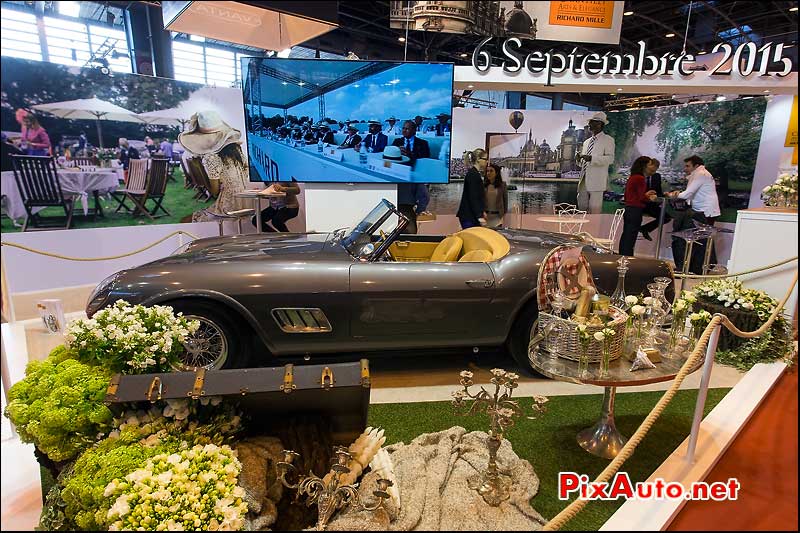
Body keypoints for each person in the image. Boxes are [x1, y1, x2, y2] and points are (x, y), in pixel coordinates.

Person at [179, 110, 249, 223]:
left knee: (185, 221)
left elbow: (214, 192)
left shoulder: (211, 157)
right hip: (246, 202)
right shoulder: (236, 149)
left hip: (228, 208)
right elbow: (245, 172)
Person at [666, 155, 721, 272]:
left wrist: (672, 195)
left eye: (687, 166)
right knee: (700, 241)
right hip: (702, 210)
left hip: (705, 211)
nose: (685, 168)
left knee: (701, 241)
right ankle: (694, 267)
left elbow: (687, 194)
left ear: (696, 165)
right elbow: (689, 194)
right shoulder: (700, 174)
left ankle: (698, 268)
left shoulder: (700, 174)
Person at [618, 156, 658, 257]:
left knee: (627, 235)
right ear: (644, 165)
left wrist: (646, 194)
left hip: (629, 209)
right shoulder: (640, 178)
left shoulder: (633, 177)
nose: (651, 166)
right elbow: (641, 197)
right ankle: (627, 258)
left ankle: (623, 256)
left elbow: (634, 195)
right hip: (635, 210)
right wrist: (650, 198)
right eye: (649, 164)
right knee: (630, 237)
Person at [577, 111, 615, 214]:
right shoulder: (586, 142)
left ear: (599, 124)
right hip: (583, 181)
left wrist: (592, 158)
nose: (589, 125)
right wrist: (579, 160)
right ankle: (582, 229)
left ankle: (592, 229)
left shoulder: (608, 140)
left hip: (597, 182)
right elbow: (584, 163)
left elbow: (610, 159)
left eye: (591, 122)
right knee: (581, 209)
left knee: (594, 211)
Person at [638, 158, 672, 241]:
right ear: (647, 166)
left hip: (652, 204)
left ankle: (645, 229)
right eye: (651, 170)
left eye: (654, 171)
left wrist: (663, 195)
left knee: (666, 217)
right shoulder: (638, 176)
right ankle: (642, 230)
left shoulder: (657, 176)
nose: (652, 173)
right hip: (640, 203)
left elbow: (658, 191)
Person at [456, 148, 488, 229]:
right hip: (469, 216)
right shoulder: (473, 174)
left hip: (470, 215)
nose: (486, 161)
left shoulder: (474, 173)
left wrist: (481, 212)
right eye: (485, 159)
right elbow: (473, 197)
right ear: (478, 159)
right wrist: (479, 216)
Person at [484, 163, 508, 228]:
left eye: (491, 171)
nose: (488, 173)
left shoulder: (502, 185)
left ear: (496, 173)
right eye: (487, 171)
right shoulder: (484, 186)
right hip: (485, 218)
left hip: (497, 218)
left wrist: (503, 216)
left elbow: (505, 202)